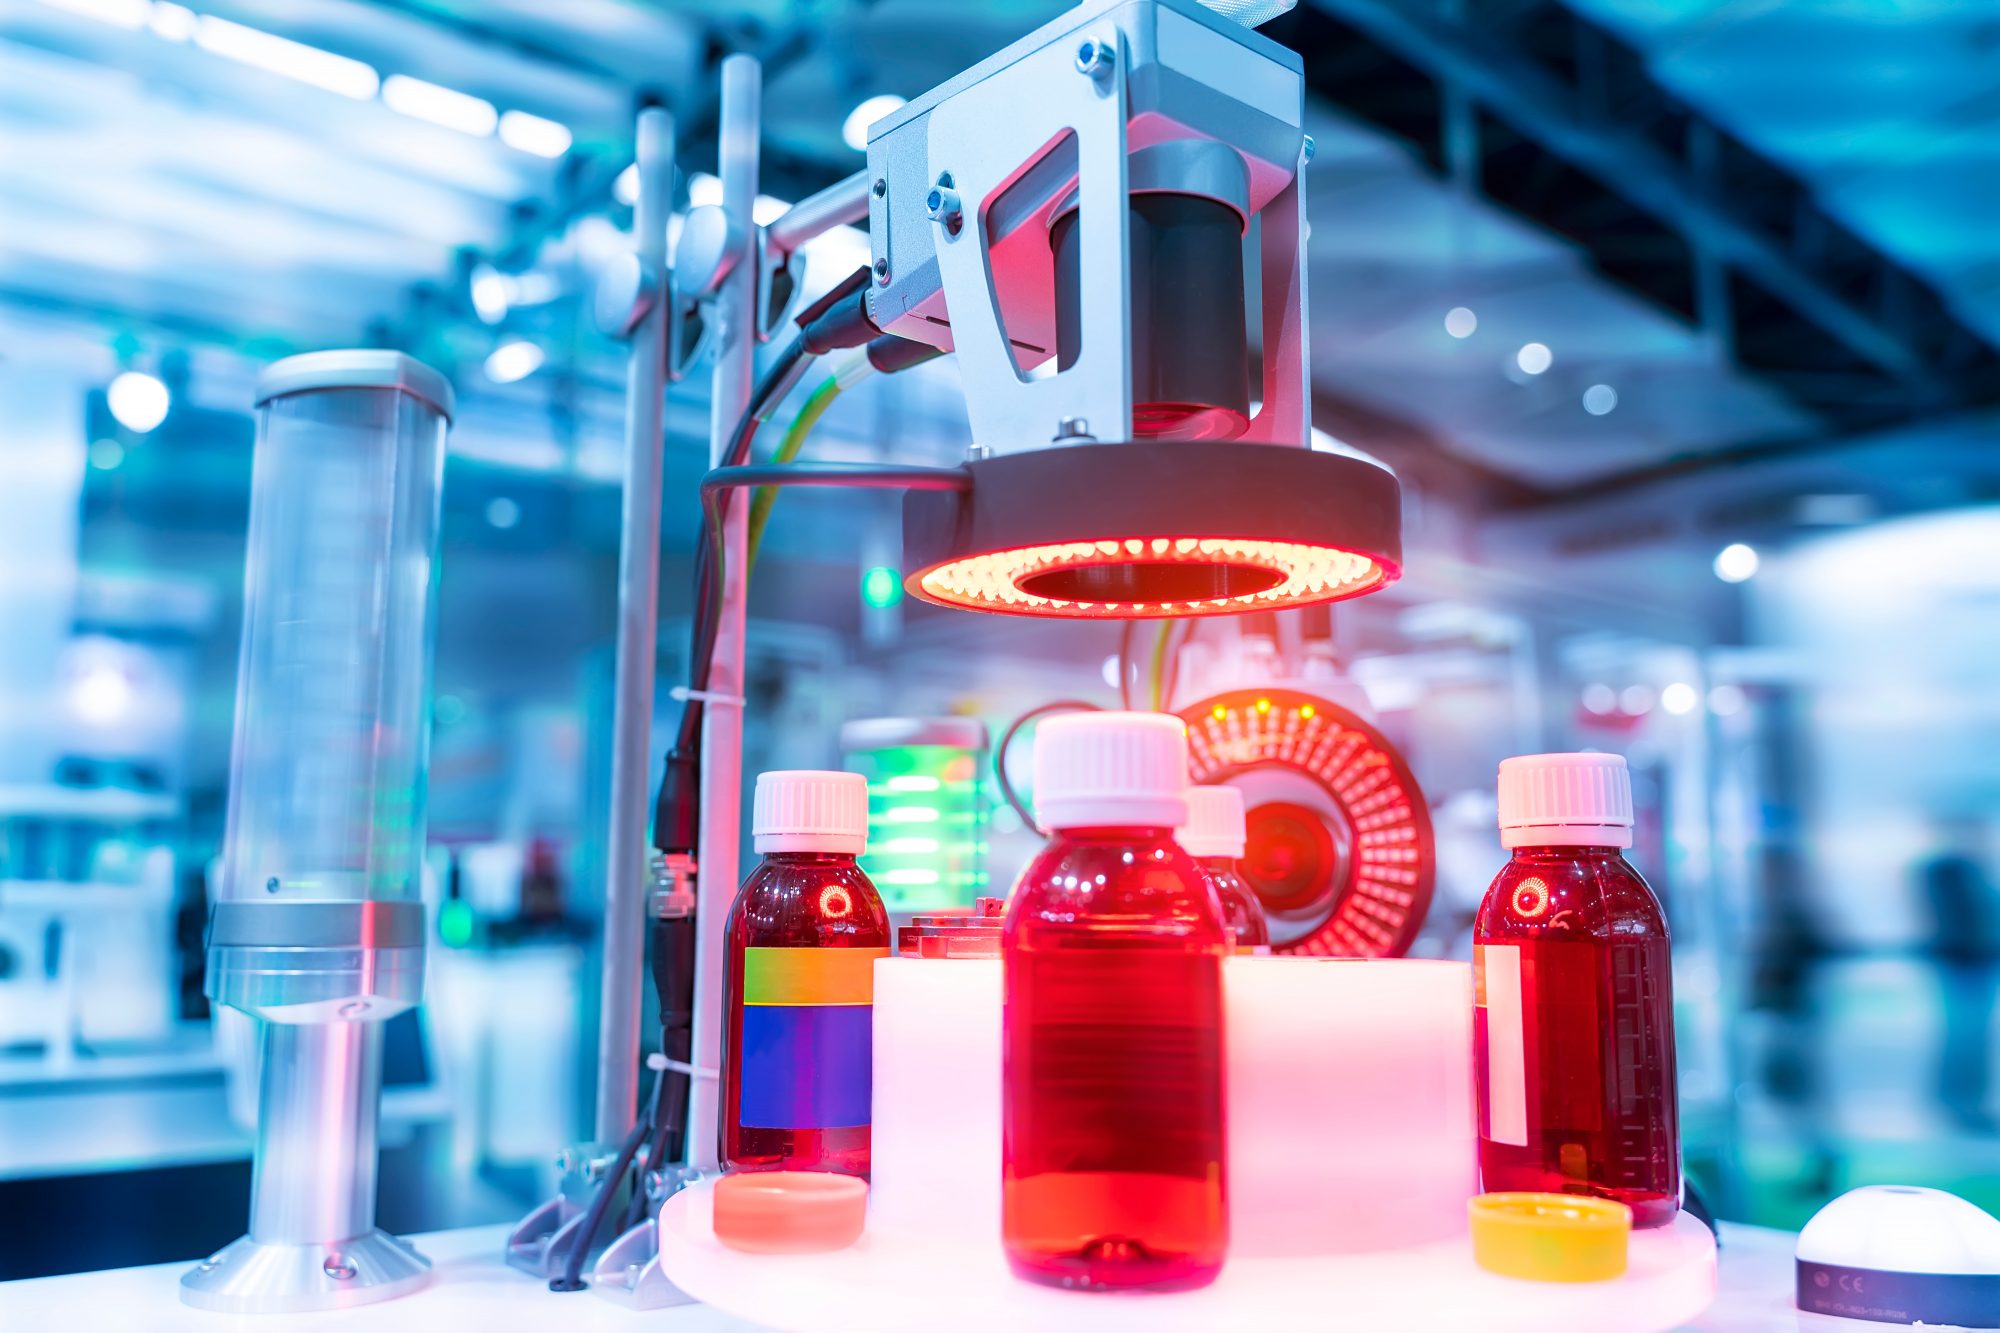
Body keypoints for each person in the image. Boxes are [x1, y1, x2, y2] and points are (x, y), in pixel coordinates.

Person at [1919, 818, 2000, 1132]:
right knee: (1965, 1037)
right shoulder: (1946, 872)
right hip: (1965, 964)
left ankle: (1963, 1102)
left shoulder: (1965, 872)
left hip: (1975, 964)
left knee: (1970, 1037)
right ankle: (1958, 1102)